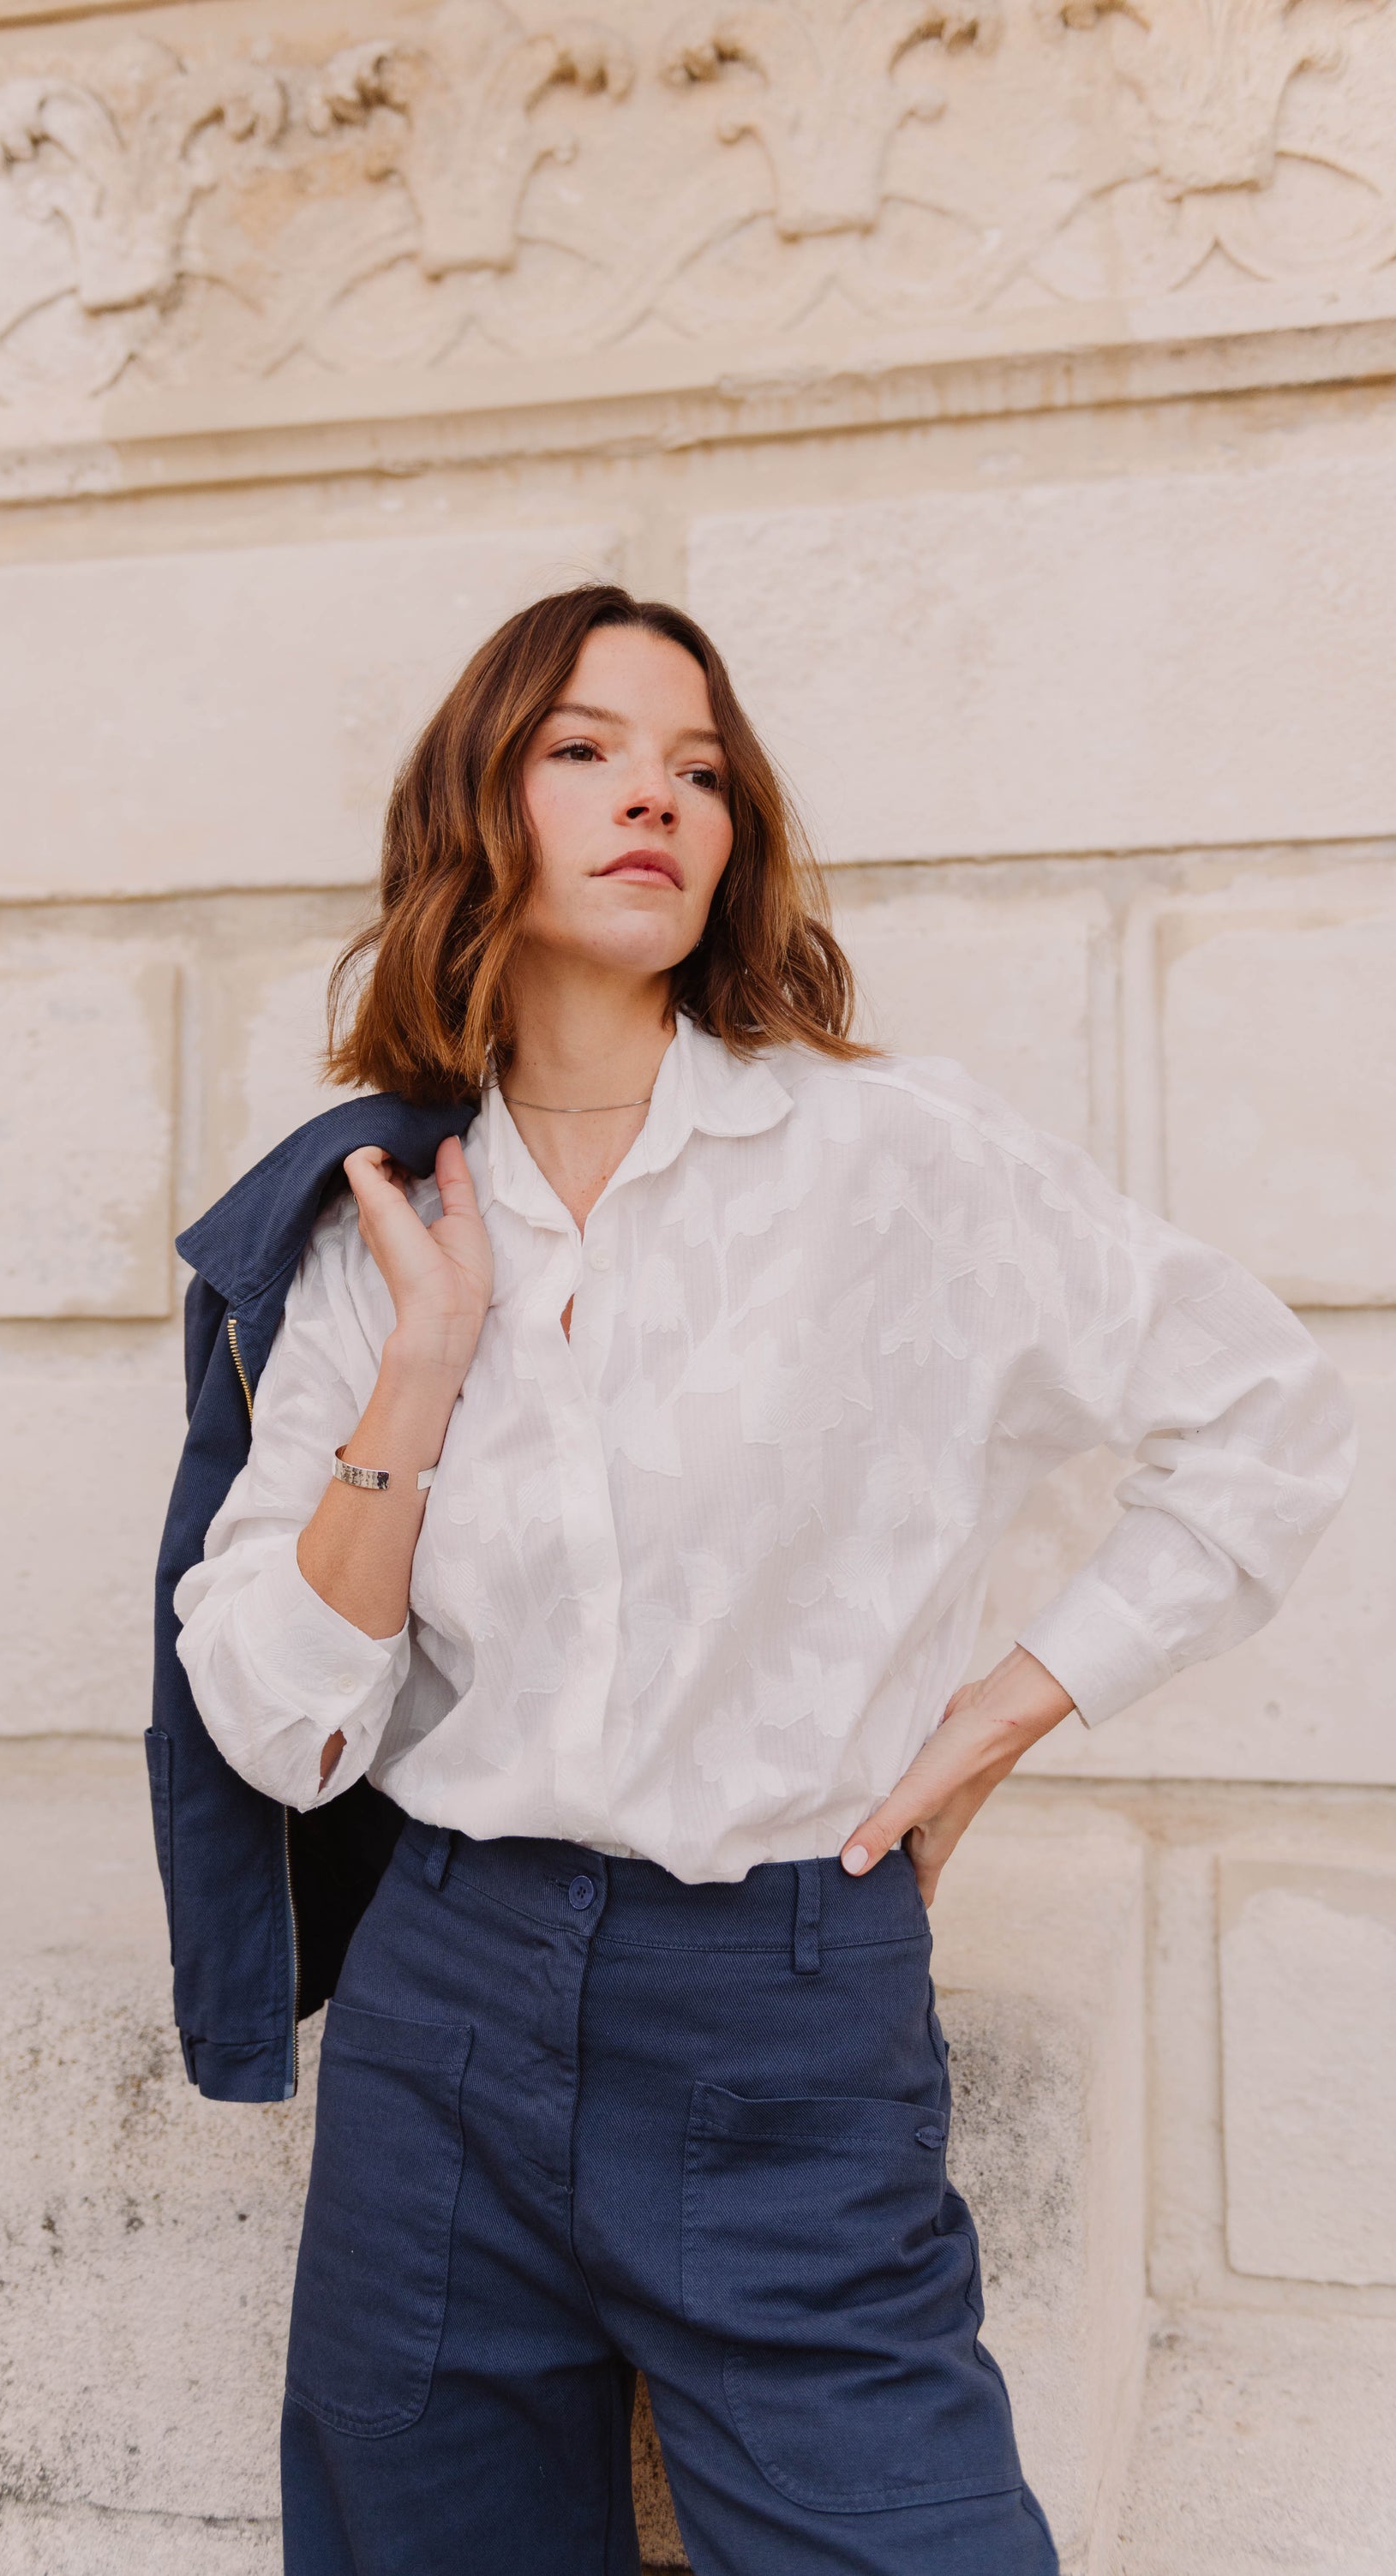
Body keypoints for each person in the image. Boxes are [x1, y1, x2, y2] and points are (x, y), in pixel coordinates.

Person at [170, 585, 1352, 2575]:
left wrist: (998, 1715)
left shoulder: (889, 1159)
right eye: (585, 750)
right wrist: (423, 1363)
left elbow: (1267, 1416)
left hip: (781, 2005)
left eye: (698, 769)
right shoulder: (376, 1220)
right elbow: (285, 1726)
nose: (654, 796)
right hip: (441, 2002)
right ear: (475, 808)